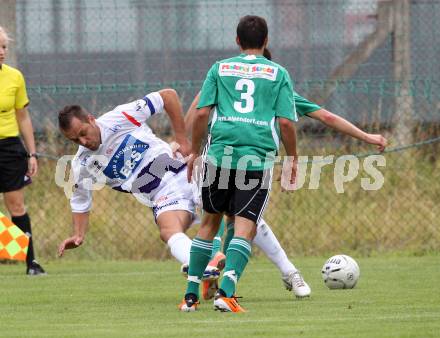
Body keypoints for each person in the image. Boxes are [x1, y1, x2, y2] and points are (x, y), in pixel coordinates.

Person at [184, 47, 388, 302]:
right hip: (253, 161)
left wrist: (188, 145)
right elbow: (325, 116)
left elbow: (198, 109)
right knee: (246, 223)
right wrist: (367, 137)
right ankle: (248, 272)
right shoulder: (277, 85)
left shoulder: (224, 77)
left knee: (219, 220)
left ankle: (214, 269)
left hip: (215, 156)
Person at [179, 15, 299, 313]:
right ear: (266, 41)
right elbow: (285, 122)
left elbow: (202, 113)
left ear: (237, 41)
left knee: (208, 225)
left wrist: (194, 151)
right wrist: (293, 157)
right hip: (255, 159)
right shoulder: (278, 73)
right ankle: (226, 293)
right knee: (244, 228)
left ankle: (190, 296)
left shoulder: (219, 68)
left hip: (219, 156)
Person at [57, 89, 224, 283]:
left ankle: (208, 266)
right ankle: (206, 267)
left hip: (182, 171)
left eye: (83, 133)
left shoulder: (119, 117)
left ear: (91, 119)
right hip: (162, 196)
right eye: (75, 140)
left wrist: (181, 138)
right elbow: (80, 200)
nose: (83, 142)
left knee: (238, 214)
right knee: (168, 231)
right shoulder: (82, 163)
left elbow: (168, 96)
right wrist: (78, 234)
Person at [0, 26, 45, 275]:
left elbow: (23, 117)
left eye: (4, 46)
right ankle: (6, 250)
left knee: (16, 206)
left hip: (8, 147)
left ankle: (31, 263)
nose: (1, 52)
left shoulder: (15, 77)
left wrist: (32, 152)